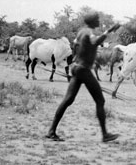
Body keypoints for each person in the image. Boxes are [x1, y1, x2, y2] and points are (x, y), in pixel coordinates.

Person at [46, 11, 121, 142]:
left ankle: (51, 131)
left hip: (76, 68)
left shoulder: (81, 32)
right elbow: (96, 42)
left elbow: (75, 45)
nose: (99, 21)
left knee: (68, 100)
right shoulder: (89, 33)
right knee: (100, 101)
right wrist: (109, 31)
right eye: (97, 19)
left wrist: (77, 58)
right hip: (84, 70)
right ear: (92, 21)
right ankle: (105, 135)